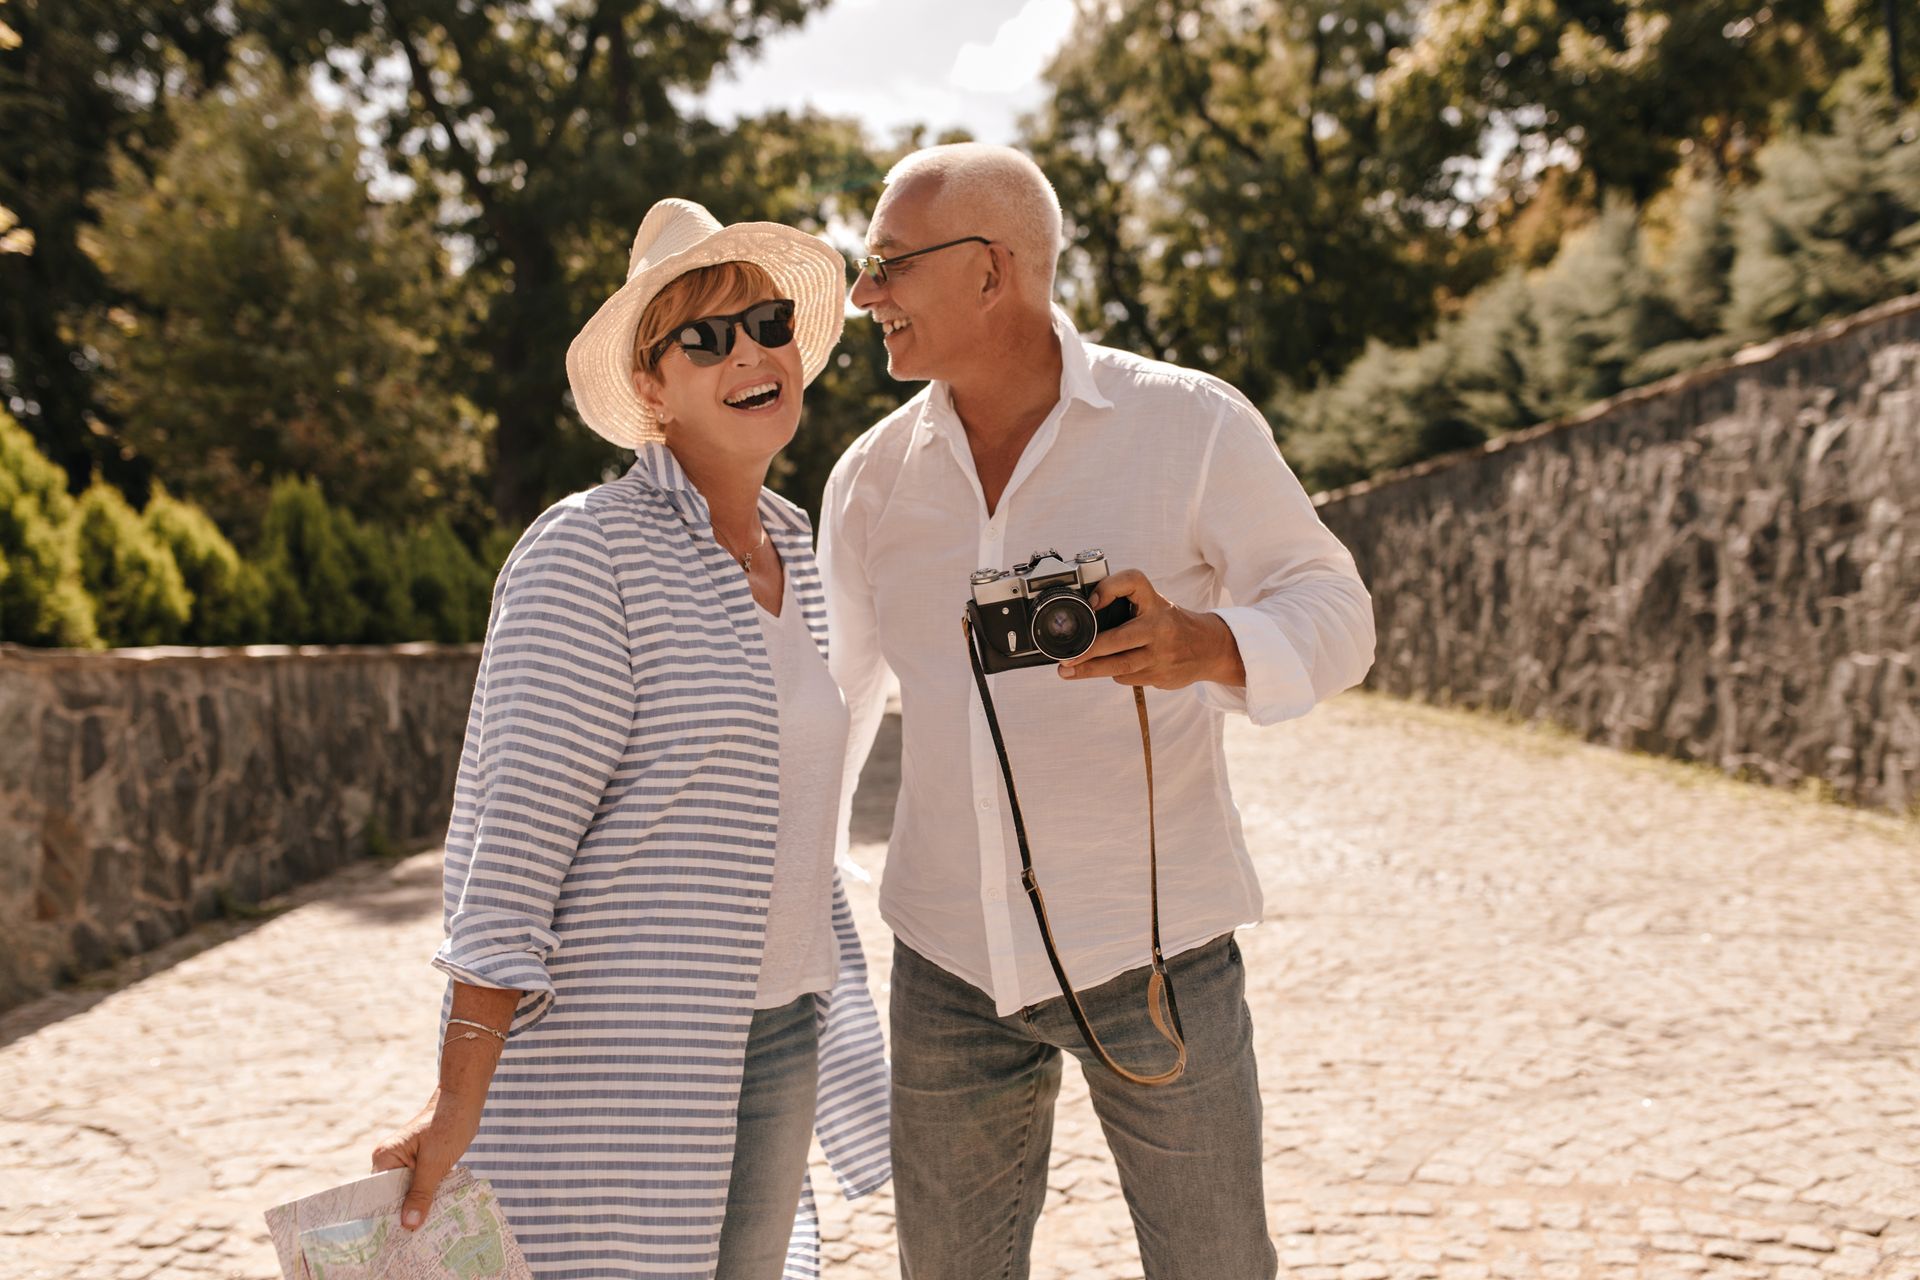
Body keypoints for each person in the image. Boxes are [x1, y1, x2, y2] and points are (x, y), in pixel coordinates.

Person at [819, 144, 1376, 1279]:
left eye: (887, 265)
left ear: (990, 272)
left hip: (1157, 956)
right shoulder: (868, 480)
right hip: (946, 971)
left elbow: (1338, 611)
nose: (863, 294)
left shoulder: (1190, 426)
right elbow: (831, 707)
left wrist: (1202, 643)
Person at [370, 198, 890, 1280]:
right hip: (628, 1056)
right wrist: (454, 1099)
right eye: (704, 337)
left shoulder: (801, 549)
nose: (749, 351)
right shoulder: (587, 556)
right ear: (652, 389)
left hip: (782, 1027)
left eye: (766, 321)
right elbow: (506, 860)